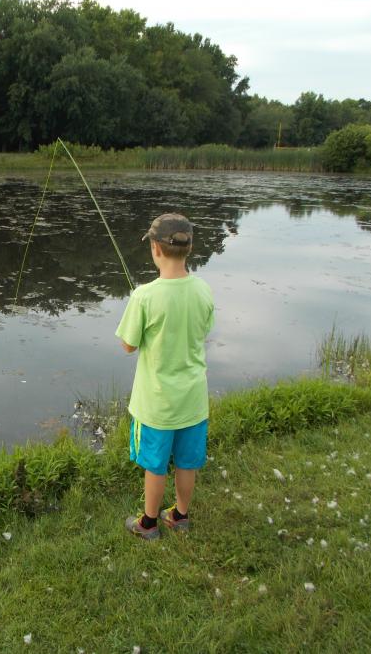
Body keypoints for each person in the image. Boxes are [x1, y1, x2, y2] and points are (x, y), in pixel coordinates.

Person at [115, 213, 215, 540]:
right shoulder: (203, 290)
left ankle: (148, 523)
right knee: (187, 462)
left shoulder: (144, 296)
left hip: (157, 405)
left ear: (156, 248)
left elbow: (128, 345)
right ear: (190, 248)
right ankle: (180, 516)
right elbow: (203, 330)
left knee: (155, 465)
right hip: (193, 401)